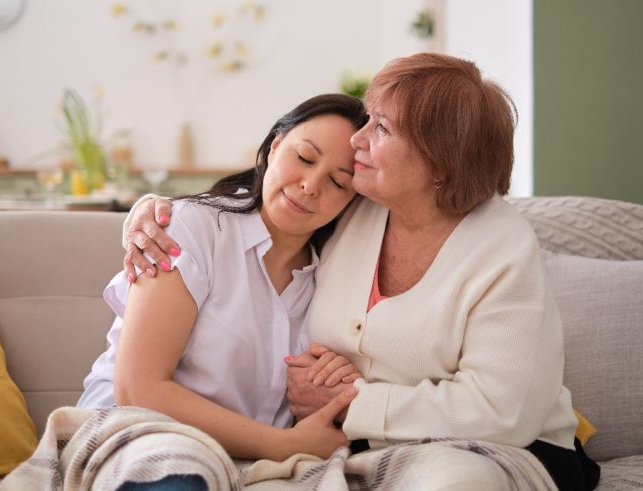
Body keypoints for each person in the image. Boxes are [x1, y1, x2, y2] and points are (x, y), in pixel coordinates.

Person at [123, 53, 600, 490]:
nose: (358, 141)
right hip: (360, 446)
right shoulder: (355, 206)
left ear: (440, 162)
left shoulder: (501, 245)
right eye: (368, 120)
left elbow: (503, 410)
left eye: (383, 130)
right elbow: (267, 204)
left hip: (488, 446)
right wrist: (151, 211)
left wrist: (353, 401)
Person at [77, 93, 370, 468]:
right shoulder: (192, 228)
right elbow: (137, 388)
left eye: (337, 182)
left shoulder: (332, 281)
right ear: (276, 146)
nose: (311, 186)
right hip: (136, 440)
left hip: (241, 462)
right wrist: (283, 444)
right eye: (304, 158)